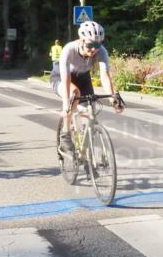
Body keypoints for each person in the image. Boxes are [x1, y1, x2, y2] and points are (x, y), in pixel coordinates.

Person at [51, 21, 124, 156]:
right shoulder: (69, 49)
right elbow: (66, 78)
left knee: (91, 109)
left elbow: (105, 76)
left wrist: (113, 99)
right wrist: (66, 103)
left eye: (97, 45)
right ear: (81, 40)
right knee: (74, 94)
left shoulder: (101, 52)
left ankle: (85, 150)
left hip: (83, 78)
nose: (93, 49)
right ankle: (66, 134)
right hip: (61, 77)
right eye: (90, 45)